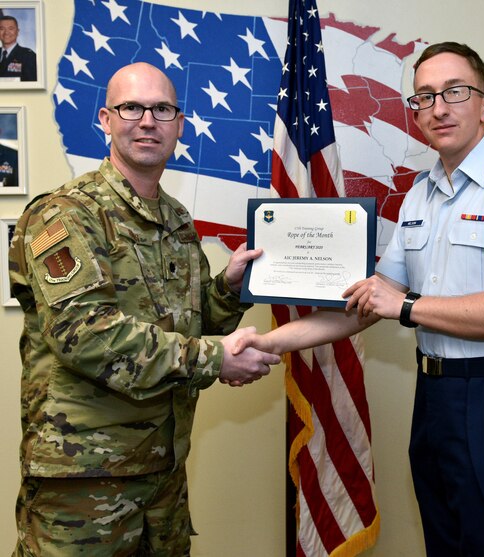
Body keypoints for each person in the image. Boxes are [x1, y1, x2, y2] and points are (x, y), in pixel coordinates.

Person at [237, 42, 484, 555]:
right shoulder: (421, 193)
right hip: (436, 402)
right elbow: (372, 301)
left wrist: (408, 306)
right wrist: (268, 343)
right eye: (424, 97)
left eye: (455, 92)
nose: (439, 108)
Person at [8, 62, 280, 556]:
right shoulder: (64, 214)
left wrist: (229, 288)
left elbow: (188, 324)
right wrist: (215, 359)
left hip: (163, 472)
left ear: (180, 124)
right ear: (106, 120)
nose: (148, 121)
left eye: (162, 109)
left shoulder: (174, 218)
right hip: (85, 482)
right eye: (132, 107)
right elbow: (85, 335)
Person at [0, 15, 37, 81]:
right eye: (2, 29)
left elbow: (33, 84)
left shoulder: (28, 56)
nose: (6, 32)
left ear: (17, 31)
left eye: (11, 28)